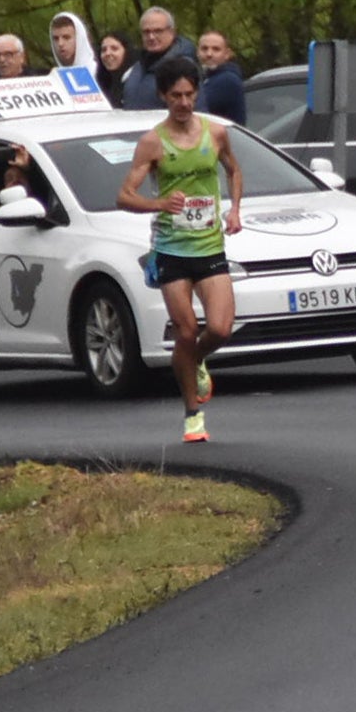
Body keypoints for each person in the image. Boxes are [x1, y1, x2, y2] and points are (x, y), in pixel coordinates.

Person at [117, 56, 244, 444]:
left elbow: (234, 170)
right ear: (163, 96)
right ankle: (192, 414)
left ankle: (197, 361)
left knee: (220, 328)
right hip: (172, 249)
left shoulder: (217, 133)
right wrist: (160, 204)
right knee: (186, 331)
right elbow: (125, 195)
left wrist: (235, 209)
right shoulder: (153, 142)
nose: (184, 103)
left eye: (190, 94)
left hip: (209, 242)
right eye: (176, 96)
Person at [120, 6, 197, 108]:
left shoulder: (185, 67)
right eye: (146, 32)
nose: (151, 37)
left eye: (158, 31)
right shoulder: (137, 67)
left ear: (172, 32)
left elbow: (196, 111)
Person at [196, 29, 246, 124]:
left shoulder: (227, 80)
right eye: (204, 49)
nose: (209, 54)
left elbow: (194, 109)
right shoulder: (207, 78)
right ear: (197, 52)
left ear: (227, 54)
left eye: (216, 49)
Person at [95, 32, 134, 103]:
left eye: (114, 49)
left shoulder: (136, 81)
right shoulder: (97, 83)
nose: (108, 53)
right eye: (104, 50)